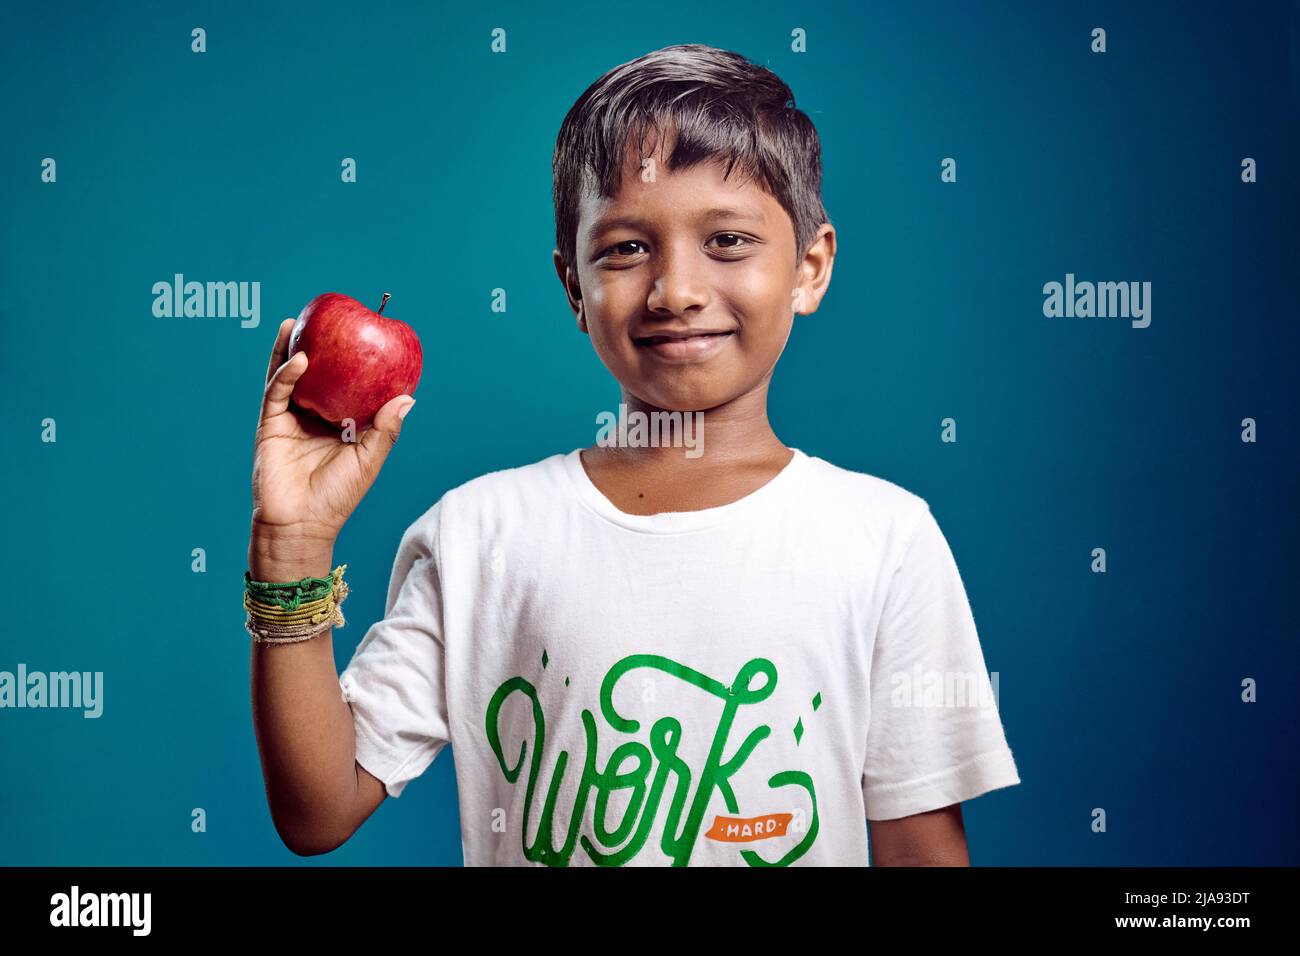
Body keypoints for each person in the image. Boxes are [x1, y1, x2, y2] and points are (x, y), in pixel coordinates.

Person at [247, 43, 1020, 866]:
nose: (676, 290)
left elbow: (920, 851)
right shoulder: (481, 534)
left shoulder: (887, 540)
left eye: (727, 240)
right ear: (573, 287)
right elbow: (317, 809)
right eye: (624, 249)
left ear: (810, 266)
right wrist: (290, 545)